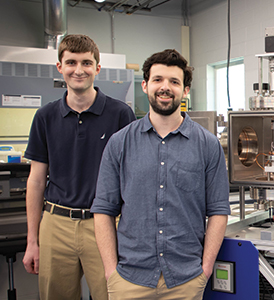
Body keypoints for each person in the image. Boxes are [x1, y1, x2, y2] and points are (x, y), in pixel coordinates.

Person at [91, 49, 230, 299]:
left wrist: (205, 270)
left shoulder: (207, 145)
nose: (165, 87)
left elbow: (218, 211)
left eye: (174, 82)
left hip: (186, 280)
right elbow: (103, 210)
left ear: (185, 90)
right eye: (157, 80)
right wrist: (111, 271)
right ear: (145, 85)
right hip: (129, 279)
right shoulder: (119, 143)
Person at [22, 34, 136, 299]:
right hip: (55, 224)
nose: (79, 69)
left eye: (86, 62)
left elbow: (132, 179)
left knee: (112, 294)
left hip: (105, 224)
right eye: (71, 62)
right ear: (60, 67)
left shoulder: (120, 115)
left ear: (97, 68)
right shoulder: (45, 117)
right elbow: (36, 181)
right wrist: (32, 241)